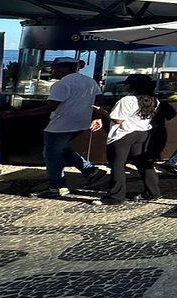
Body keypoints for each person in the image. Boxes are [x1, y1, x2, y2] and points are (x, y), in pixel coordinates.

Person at [9, 57, 105, 197]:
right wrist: (97, 117)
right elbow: (99, 99)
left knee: (52, 155)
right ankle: (90, 170)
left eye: (55, 68)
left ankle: (57, 186)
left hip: (61, 125)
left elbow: (50, 107)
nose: (52, 72)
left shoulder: (61, 84)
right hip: (80, 123)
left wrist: (13, 114)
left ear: (66, 68)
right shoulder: (90, 81)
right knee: (61, 149)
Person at [94, 74, 162, 206]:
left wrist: (102, 111)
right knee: (144, 164)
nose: (125, 86)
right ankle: (153, 192)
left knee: (117, 165)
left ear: (133, 85)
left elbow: (117, 120)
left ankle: (116, 196)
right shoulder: (155, 100)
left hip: (123, 135)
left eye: (127, 83)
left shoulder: (126, 100)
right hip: (142, 132)